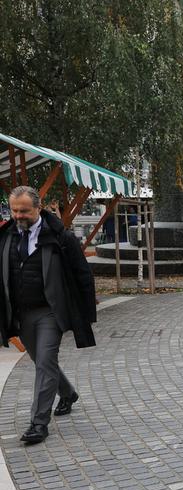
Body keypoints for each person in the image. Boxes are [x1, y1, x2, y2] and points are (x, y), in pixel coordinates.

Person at [1, 187, 96, 445]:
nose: (18, 215)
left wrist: (86, 313)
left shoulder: (60, 237)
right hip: (21, 313)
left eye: (24, 210)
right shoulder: (6, 236)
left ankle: (38, 424)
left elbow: (82, 274)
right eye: (15, 210)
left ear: (38, 207)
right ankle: (68, 393)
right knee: (42, 362)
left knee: (45, 361)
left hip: (49, 312)